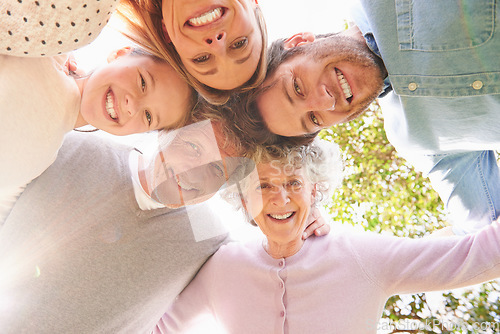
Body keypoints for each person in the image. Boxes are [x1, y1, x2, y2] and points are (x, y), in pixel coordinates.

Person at [0, 119, 327, 333]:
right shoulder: (70, 146)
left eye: (217, 171)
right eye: (193, 148)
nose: (194, 173)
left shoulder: (207, 237)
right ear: (169, 130)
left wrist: (305, 218)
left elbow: (269, 263)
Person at [154, 139, 500, 334]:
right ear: (244, 199)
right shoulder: (223, 268)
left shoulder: (362, 256)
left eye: (293, 183)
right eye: (264, 186)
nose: (282, 198)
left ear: (314, 191)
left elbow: (474, 256)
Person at [248, 0, 500, 234]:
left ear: (298, 43)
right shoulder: (416, 138)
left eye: (297, 87)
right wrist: (310, 239)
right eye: (314, 118)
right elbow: (484, 232)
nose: (326, 101)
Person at [0, 45, 196, 223]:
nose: (132, 106)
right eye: (143, 82)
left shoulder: (43, 157)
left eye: (148, 116)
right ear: (121, 53)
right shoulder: (49, 50)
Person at [0, 0, 268, 104]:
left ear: (166, 33)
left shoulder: (78, 18)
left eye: (201, 59)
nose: (218, 43)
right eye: (239, 44)